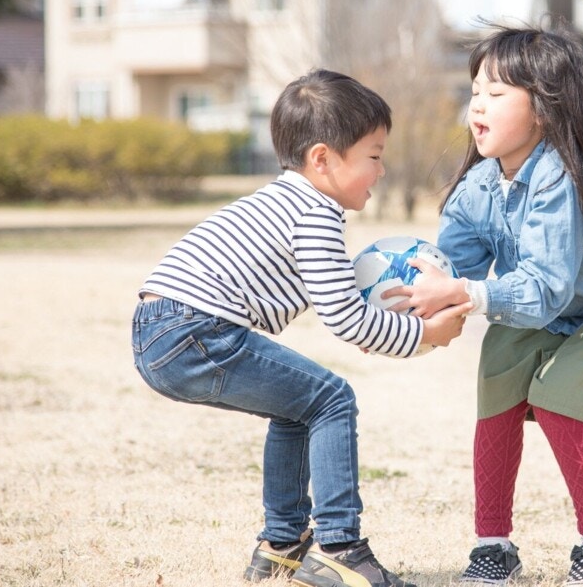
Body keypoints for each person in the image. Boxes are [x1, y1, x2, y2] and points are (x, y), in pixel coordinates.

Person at [131, 69, 471, 587]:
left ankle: (283, 543)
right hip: (192, 329)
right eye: (374, 156)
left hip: (162, 329)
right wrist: (428, 335)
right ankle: (340, 546)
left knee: (297, 408)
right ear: (322, 159)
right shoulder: (316, 212)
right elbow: (347, 320)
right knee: (331, 398)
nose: (381, 171)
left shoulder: (285, 199)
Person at [394, 24, 583, 586]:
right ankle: (493, 546)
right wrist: (410, 305)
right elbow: (454, 271)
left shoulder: (558, 175)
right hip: (551, 308)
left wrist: (463, 295)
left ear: (544, 112)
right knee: (498, 388)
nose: (478, 106)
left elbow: (543, 288)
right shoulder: (478, 187)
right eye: (475, 91)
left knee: (559, 396)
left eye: (497, 93)